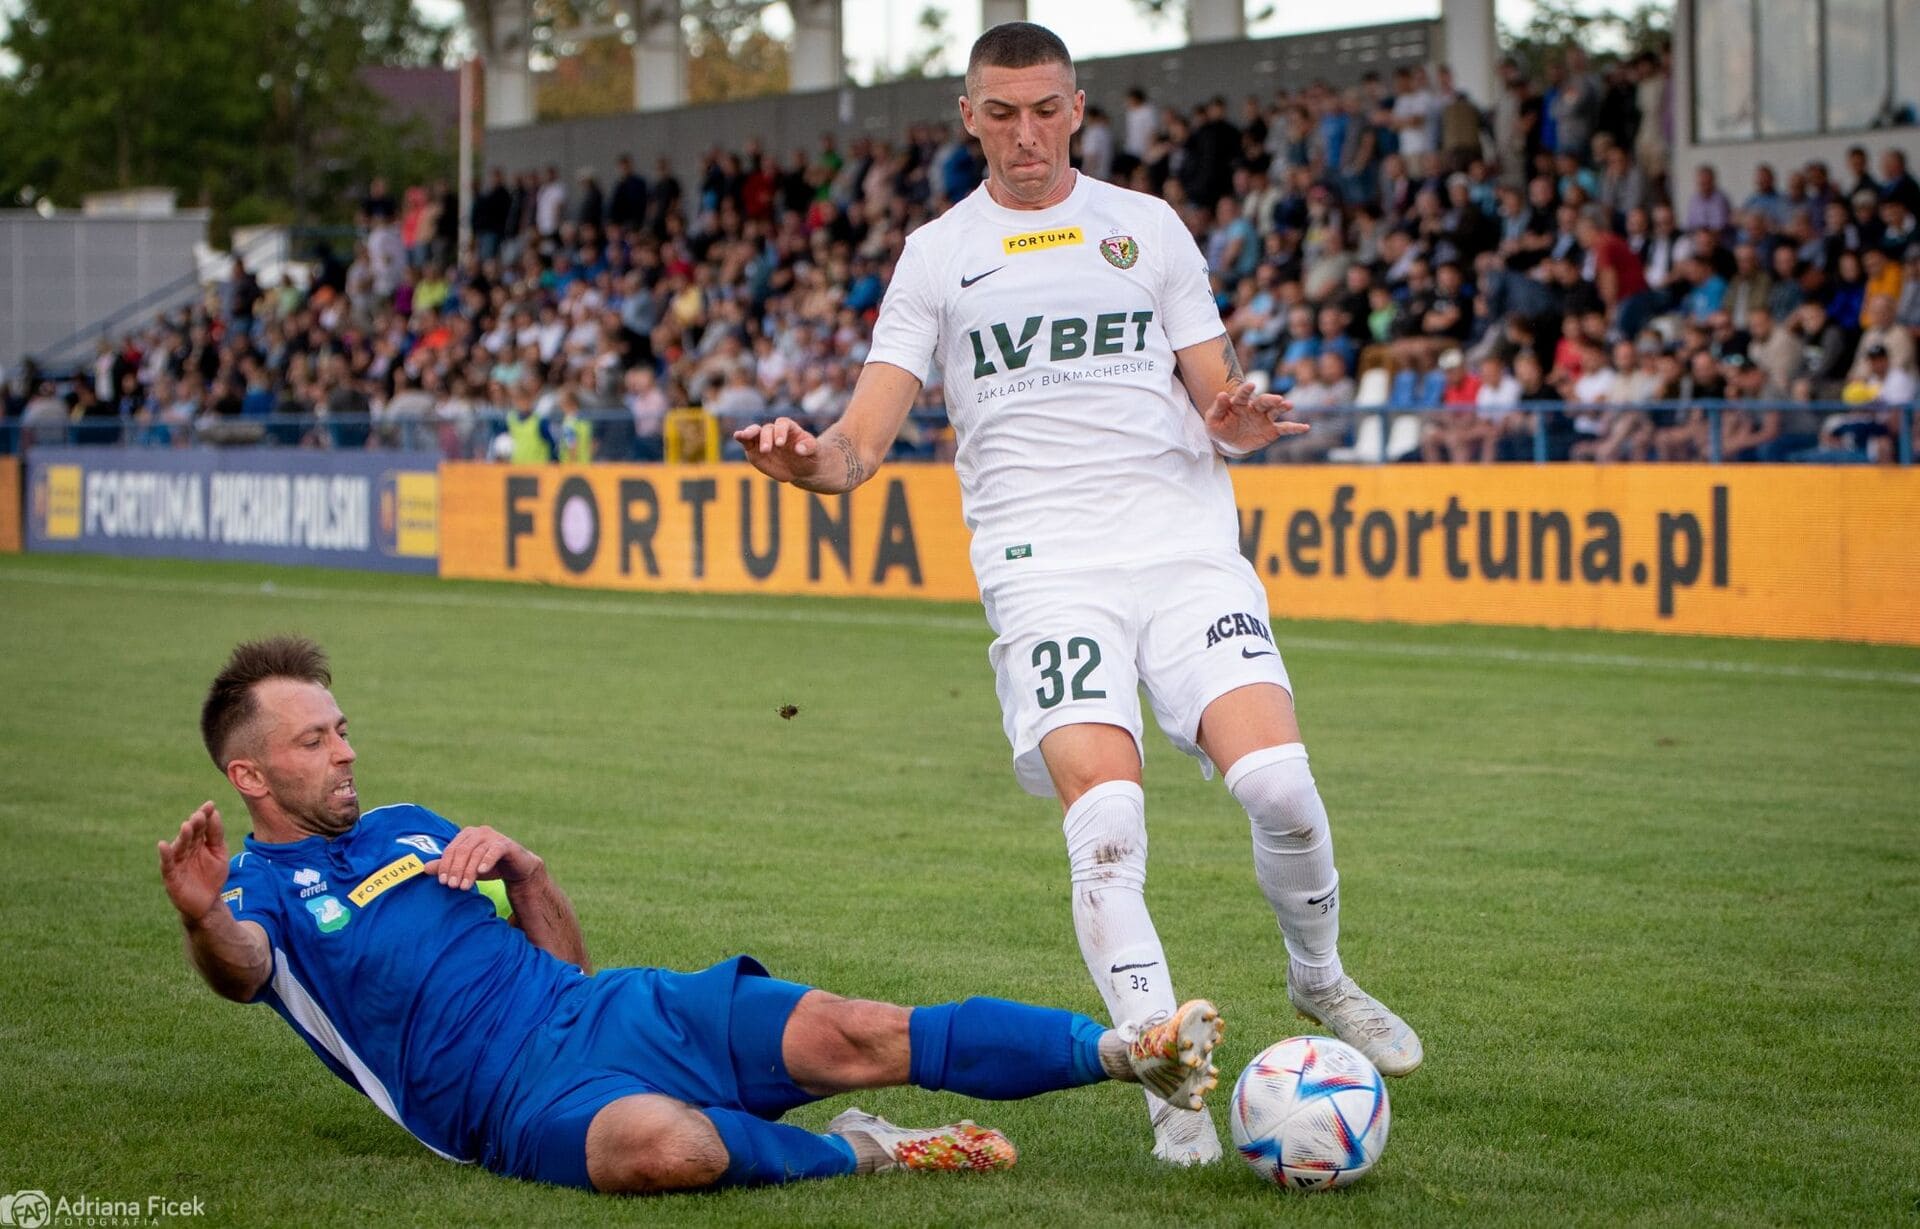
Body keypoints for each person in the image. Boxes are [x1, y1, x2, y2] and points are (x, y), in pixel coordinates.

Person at [732, 21, 1421, 1169]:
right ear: (969, 117)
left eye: (1045, 109)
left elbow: (1218, 399)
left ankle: (1320, 976)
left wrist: (1238, 422)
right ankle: (1168, 1076)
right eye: (1002, 112)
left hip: (1184, 550)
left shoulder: (1146, 227)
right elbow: (856, 447)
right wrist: (805, 460)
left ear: (1077, 109)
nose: (1026, 133)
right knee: (1106, 824)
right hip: (1046, 570)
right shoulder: (937, 255)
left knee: (1282, 786)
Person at [159, 638, 1224, 1194]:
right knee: (670, 1150)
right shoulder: (254, 895)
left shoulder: (405, 824)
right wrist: (203, 918)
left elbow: (568, 968)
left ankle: (1131, 1051)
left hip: (604, 1009)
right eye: (314, 741)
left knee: (857, 1029)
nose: (345, 750)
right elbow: (243, 967)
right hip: (509, 1101)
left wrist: (528, 872)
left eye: (341, 728)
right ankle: (870, 1151)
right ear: (249, 774)